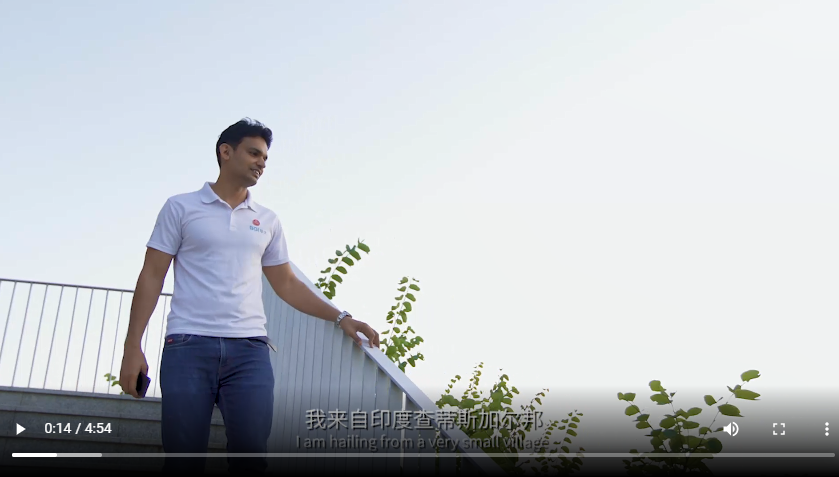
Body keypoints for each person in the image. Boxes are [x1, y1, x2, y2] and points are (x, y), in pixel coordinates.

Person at [118, 118, 380, 473]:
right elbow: (152, 275)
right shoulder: (180, 208)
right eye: (254, 153)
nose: (262, 163)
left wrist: (341, 317)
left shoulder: (267, 220)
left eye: (265, 158)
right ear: (226, 152)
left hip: (249, 352)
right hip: (188, 346)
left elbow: (287, 284)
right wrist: (132, 346)